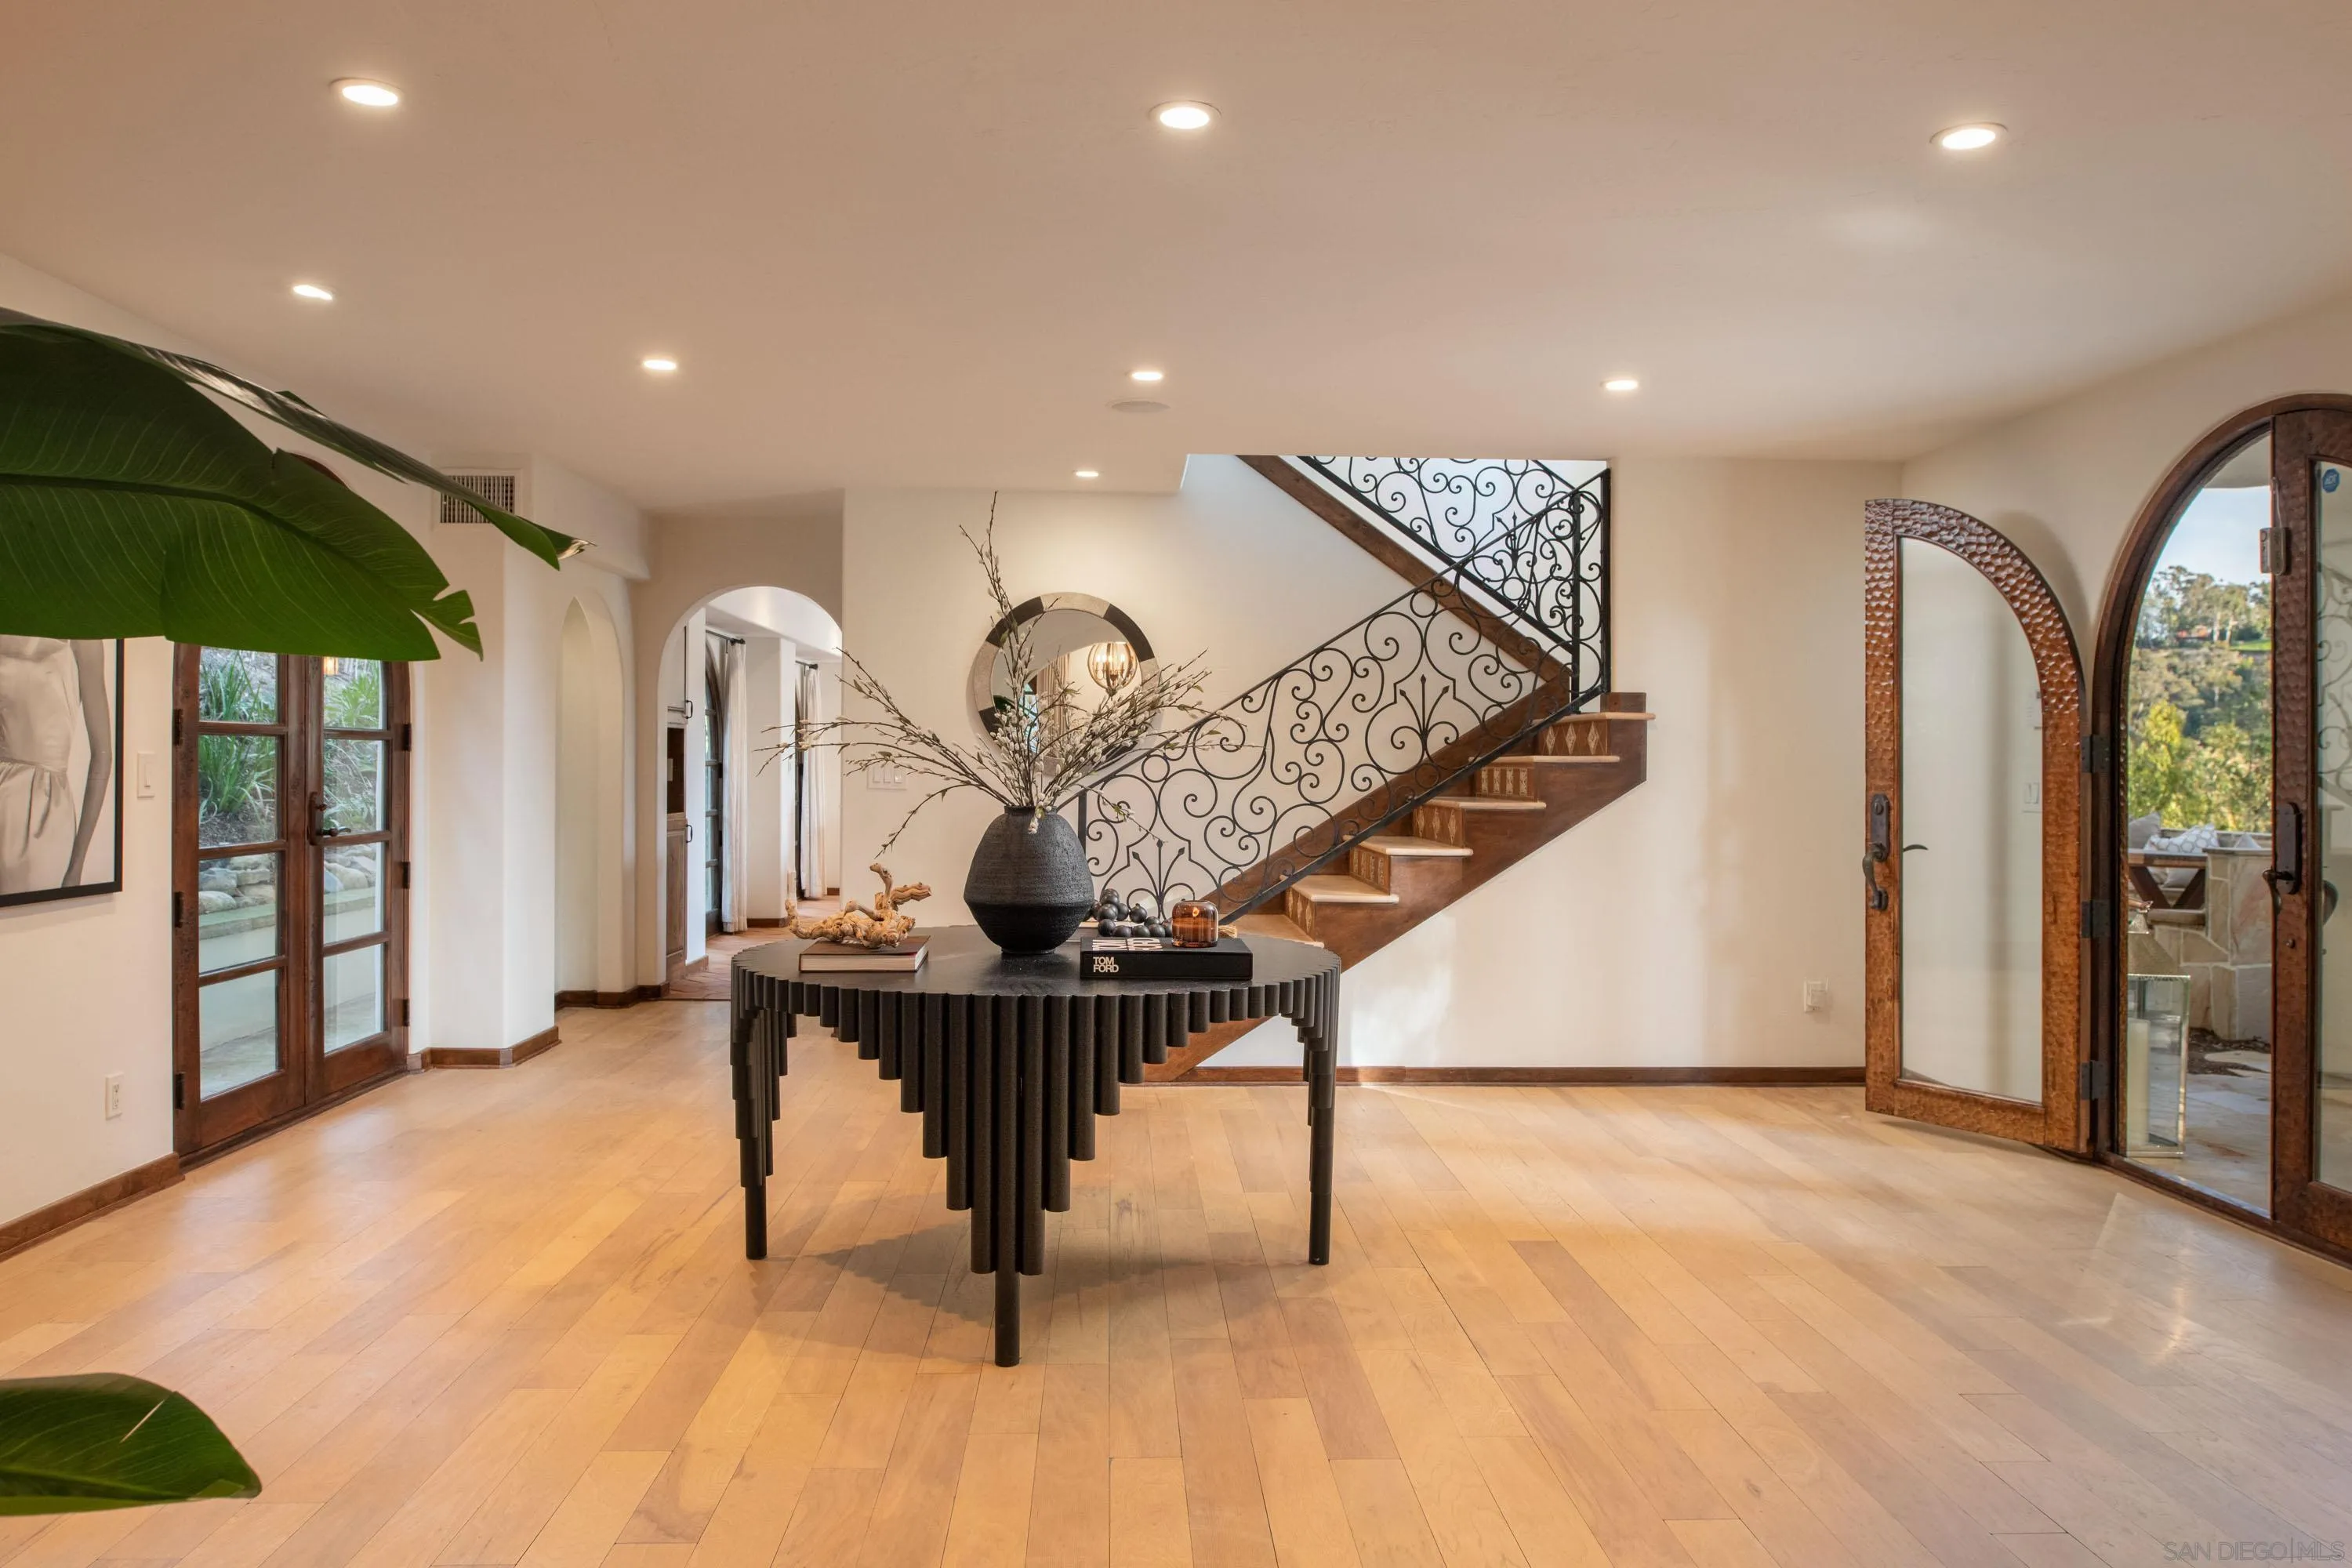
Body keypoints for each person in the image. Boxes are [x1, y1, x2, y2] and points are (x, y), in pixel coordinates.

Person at [0, 637, 112, 895]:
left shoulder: (82, 636)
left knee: (41, 924)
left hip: (44, 810)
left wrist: (77, 865)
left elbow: (103, 756)